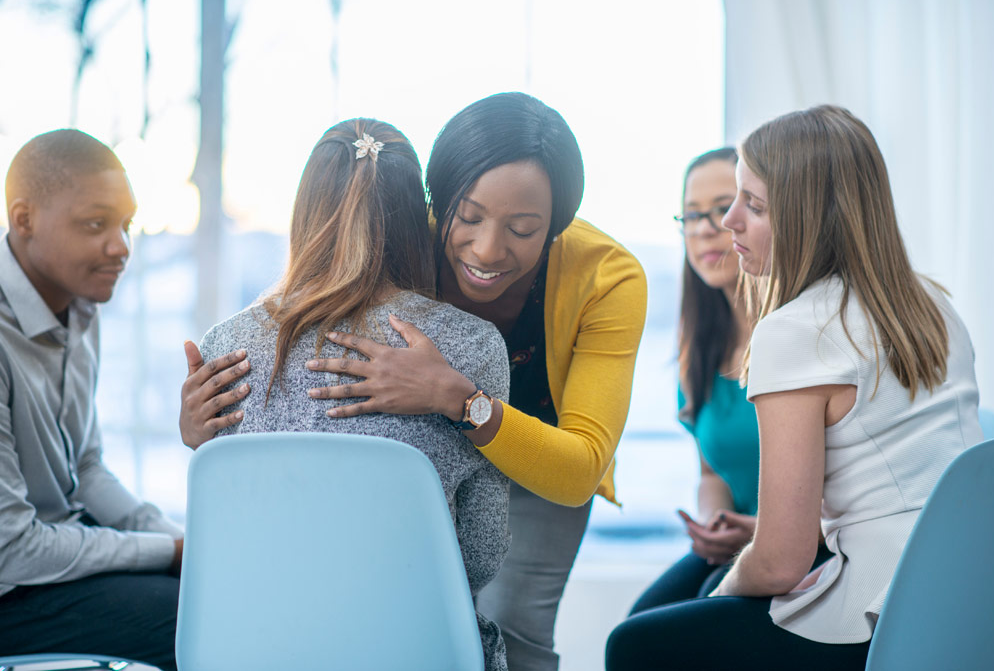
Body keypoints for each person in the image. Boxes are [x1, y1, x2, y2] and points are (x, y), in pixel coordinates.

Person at [180, 92, 648, 671]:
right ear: (434, 200)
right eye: (468, 217)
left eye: (523, 229)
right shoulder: (395, 232)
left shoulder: (607, 276)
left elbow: (579, 470)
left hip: (545, 460)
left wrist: (456, 397)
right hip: (449, 477)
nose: (486, 249)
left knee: (518, 627)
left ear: (557, 226)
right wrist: (204, 430)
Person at [605, 105, 983, 670]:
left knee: (633, 646)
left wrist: (718, 597)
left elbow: (781, 560)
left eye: (751, 205)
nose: (729, 221)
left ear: (811, 218)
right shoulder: (934, 305)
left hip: (880, 615)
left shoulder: (793, 329)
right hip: (972, 600)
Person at [193, 118, 512, 671]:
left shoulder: (228, 343)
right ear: (417, 217)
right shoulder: (471, 345)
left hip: (259, 649)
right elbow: (481, 556)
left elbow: (228, 529)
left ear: (305, 211)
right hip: (414, 648)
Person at [0, 129, 181, 670]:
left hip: (56, 552)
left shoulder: (81, 306)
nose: (121, 247)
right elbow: (14, 549)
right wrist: (168, 554)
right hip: (11, 585)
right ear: (24, 219)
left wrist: (173, 538)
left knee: (221, 583)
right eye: (95, 224)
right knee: (203, 615)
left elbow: (87, 468)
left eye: (126, 225)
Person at [631, 147, 833, 613]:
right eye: (692, 215)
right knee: (636, 624)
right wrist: (714, 523)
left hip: (810, 549)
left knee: (657, 641)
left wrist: (762, 528)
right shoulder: (699, 348)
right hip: (742, 542)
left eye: (724, 208)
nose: (707, 227)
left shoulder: (800, 337)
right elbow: (710, 472)